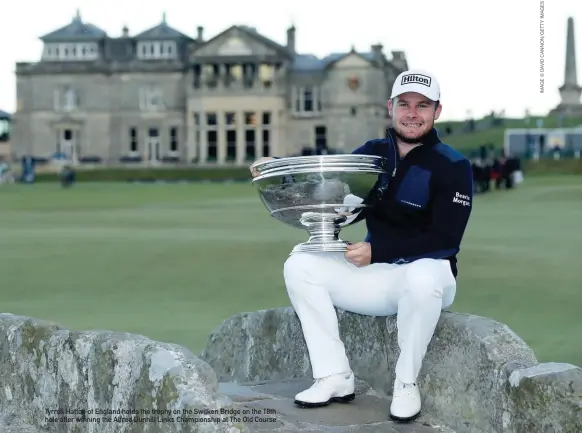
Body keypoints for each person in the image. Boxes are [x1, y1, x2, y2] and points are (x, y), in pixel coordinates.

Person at [249, 69, 473, 422]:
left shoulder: (453, 165)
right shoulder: (372, 154)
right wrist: (280, 171)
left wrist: (377, 251)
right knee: (301, 265)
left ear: (437, 111)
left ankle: (406, 383)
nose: (412, 113)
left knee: (424, 277)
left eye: (422, 105)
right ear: (391, 107)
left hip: (430, 276)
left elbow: (445, 239)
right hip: (379, 278)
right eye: (405, 104)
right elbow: (332, 192)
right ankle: (334, 376)